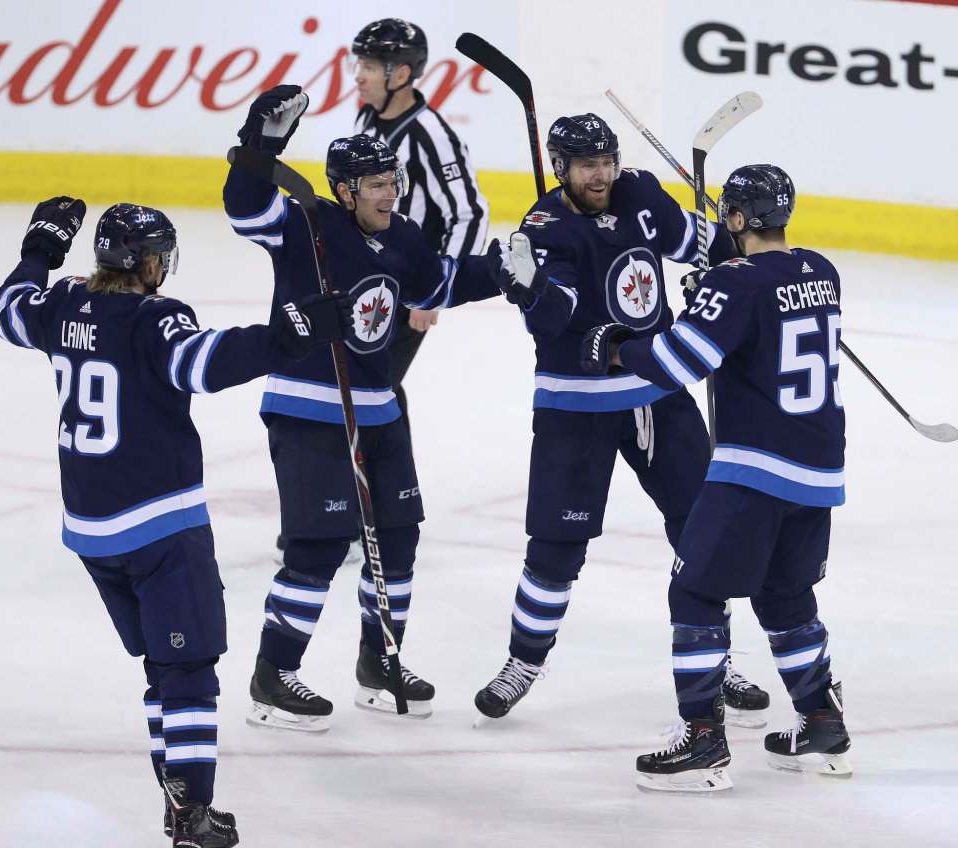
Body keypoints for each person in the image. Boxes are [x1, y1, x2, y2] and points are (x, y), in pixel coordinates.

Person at [0, 197, 348, 844]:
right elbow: (203, 363)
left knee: (164, 663)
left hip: (90, 529)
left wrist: (40, 250)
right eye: (158, 255)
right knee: (187, 669)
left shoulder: (63, 304)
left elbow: (7, 309)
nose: (163, 265)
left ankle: (176, 798)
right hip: (158, 525)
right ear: (144, 262)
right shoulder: (153, 318)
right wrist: (289, 334)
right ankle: (191, 811)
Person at [474, 113, 770, 725]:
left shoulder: (639, 193)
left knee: (702, 529)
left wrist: (725, 269)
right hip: (576, 405)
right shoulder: (544, 229)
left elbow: (709, 244)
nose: (601, 175)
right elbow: (554, 321)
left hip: (657, 392)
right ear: (561, 168)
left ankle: (715, 660)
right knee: (556, 546)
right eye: (588, 165)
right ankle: (523, 662)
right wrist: (530, 289)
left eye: (607, 161)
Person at [223, 85, 499, 731]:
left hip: (378, 407)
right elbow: (245, 207)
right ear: (345, 191)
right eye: (375, 184)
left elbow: (439, 284)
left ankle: (381, 661)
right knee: (318, 545)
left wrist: (507, 270)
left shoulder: (402, 235)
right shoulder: (306, 225)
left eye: (392, 181)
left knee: (399, 538)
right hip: (307, 407)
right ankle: (274, 675)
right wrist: (261, 143)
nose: (389, 194)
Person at [579, 164, 850, 791]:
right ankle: (822, 723)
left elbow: (682, 361)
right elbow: (763, 320)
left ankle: (703, 742)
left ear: (737, 218)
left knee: (695, 592)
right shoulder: (822, 271)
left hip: (754, 468)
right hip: (819, 467)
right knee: (785, 596)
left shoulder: (736, 282)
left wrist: (617, 348)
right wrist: (714, 294)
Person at [352, 18, 489, 428]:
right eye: (359, 64)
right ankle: (387, 467)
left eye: (369, 66)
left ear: (401, 74)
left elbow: (469, 214)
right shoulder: (366, 120)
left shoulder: (432, 135)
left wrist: (437, 290)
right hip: (369, 278)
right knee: (367, 384)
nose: (358, 76)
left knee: (372, 387)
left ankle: (389, 468)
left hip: (410, 286)